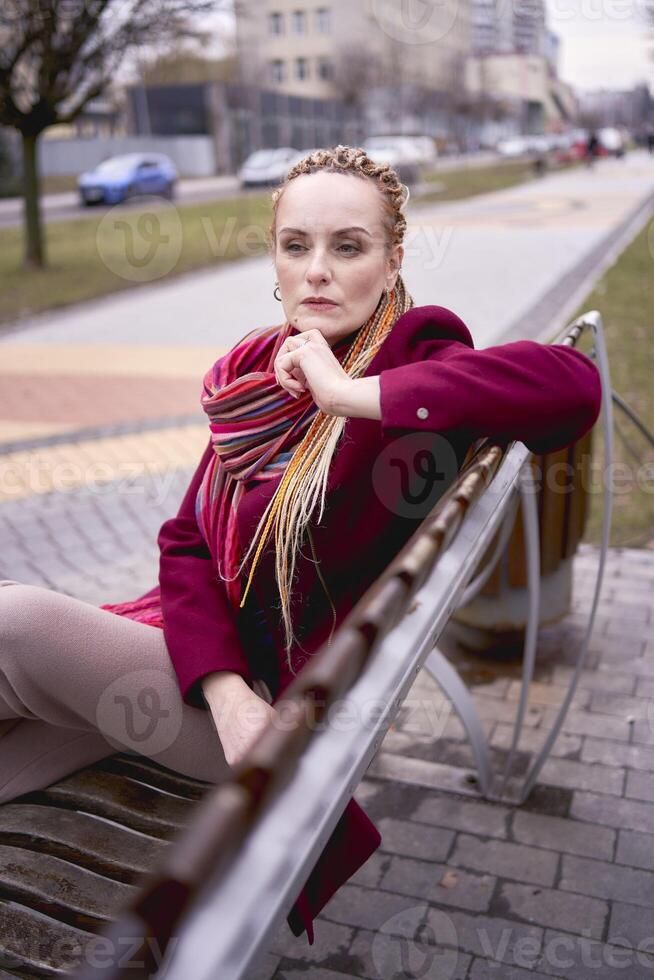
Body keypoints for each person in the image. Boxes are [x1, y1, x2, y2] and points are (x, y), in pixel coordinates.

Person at [0, 145, 602, 946]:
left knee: (21, 624)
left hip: (293, 728)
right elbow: (184, 539)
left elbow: (572, 383)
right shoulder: (260, 372)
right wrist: (224, 692)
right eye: (297, 246)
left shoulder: (414, 360)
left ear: (391, 264)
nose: (317, 270)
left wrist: (353, 397)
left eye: (347, 247)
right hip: (224, 696)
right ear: (275, 262)